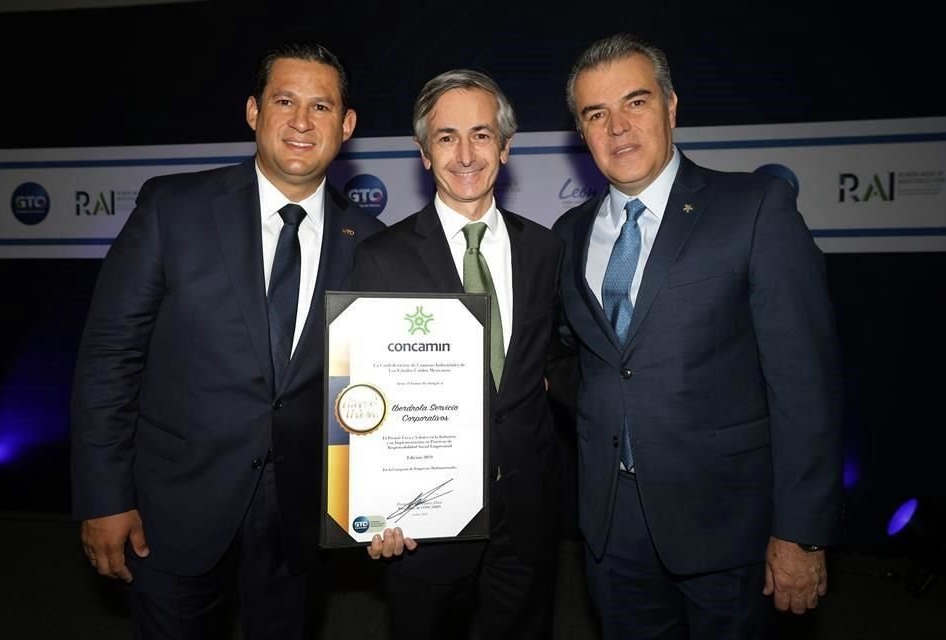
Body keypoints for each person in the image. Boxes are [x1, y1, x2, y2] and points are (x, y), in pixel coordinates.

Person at [70, 41, 385, 639]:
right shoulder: (173, 208)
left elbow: (374, 387)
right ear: (252, 112)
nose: (300, 122)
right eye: (284, 101)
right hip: (172, 509)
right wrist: (103, 496)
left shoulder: (369, 240)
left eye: (321, 108)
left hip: (299, 520)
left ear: (346, 126)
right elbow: (109, 359)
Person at [553, 33, 843, 639]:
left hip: (731, 529)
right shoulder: (568, 232)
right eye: (595, 114)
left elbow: (804, 382)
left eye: (635, 102)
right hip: (611, 527)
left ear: (671, 106)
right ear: (581, 132)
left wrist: (801, 531)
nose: (618, 128)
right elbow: (576, 360)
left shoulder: (755, 208)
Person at [350, 69, 564, 640]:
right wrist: (369, 507)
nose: (465, 153)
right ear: (424, 153)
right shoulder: (379, 258)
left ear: (506, 146)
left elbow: (565, 357)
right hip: (422, 521)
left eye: (481, 134)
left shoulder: (545, 250)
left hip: (527, 510)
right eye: (446, 137)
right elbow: (359, 394)